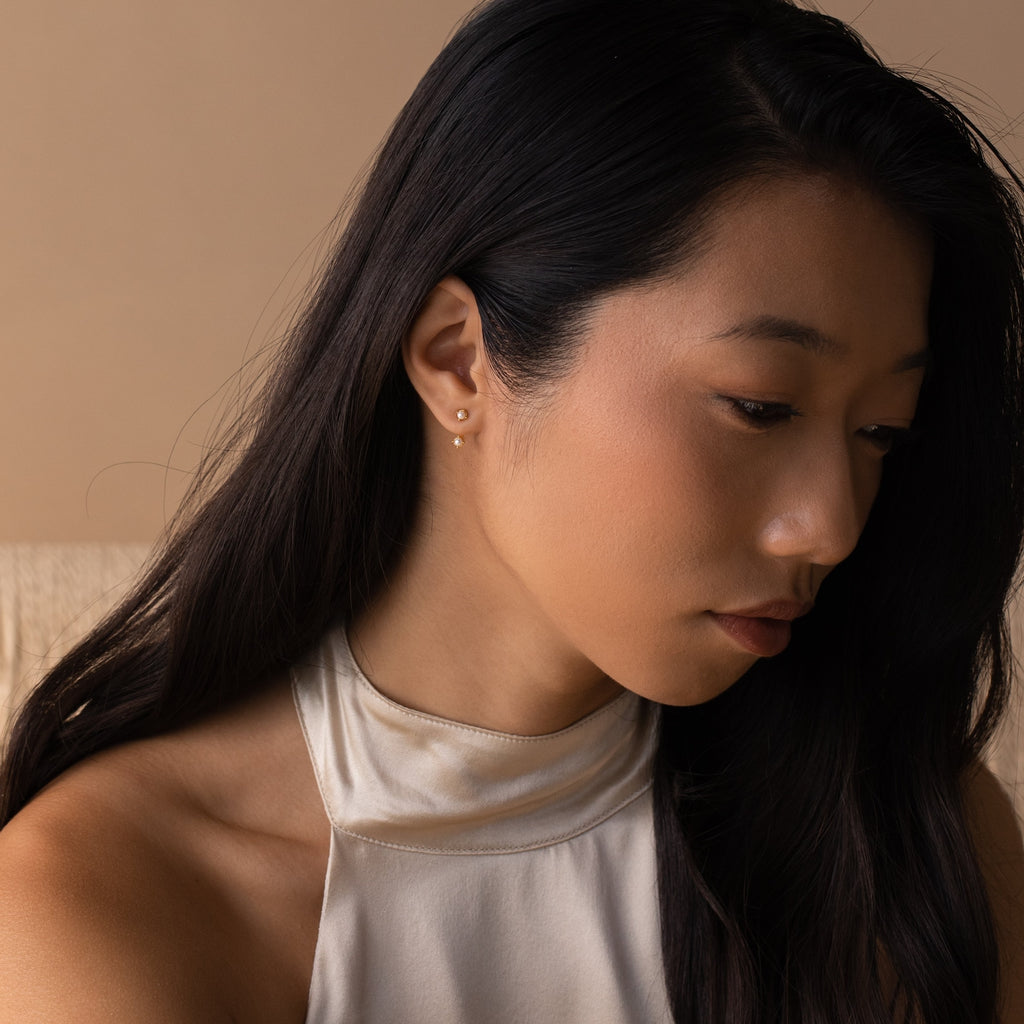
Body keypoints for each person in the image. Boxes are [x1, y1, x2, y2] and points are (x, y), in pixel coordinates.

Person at [1, 0, 1022, 1020]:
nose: (830, 528)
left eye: (881, 432)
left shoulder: (905, 844)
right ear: (458, 358)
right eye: (759, 406)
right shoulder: (112, 900)